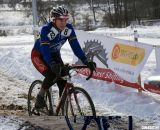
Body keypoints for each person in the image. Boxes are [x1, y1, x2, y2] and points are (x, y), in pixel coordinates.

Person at [31, 6, 96, 109]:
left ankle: (62, 108)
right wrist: (51, 64)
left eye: (66, 19)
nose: (63, 22)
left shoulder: (68, 29)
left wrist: (86, 61)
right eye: (60, 19)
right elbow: (45, 50)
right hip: (39, 55)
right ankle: (40, 96)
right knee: (51, 74)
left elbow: (75, 46)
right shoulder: (46, 30)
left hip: (55, 54)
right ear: (54, 19)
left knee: (63, 77)